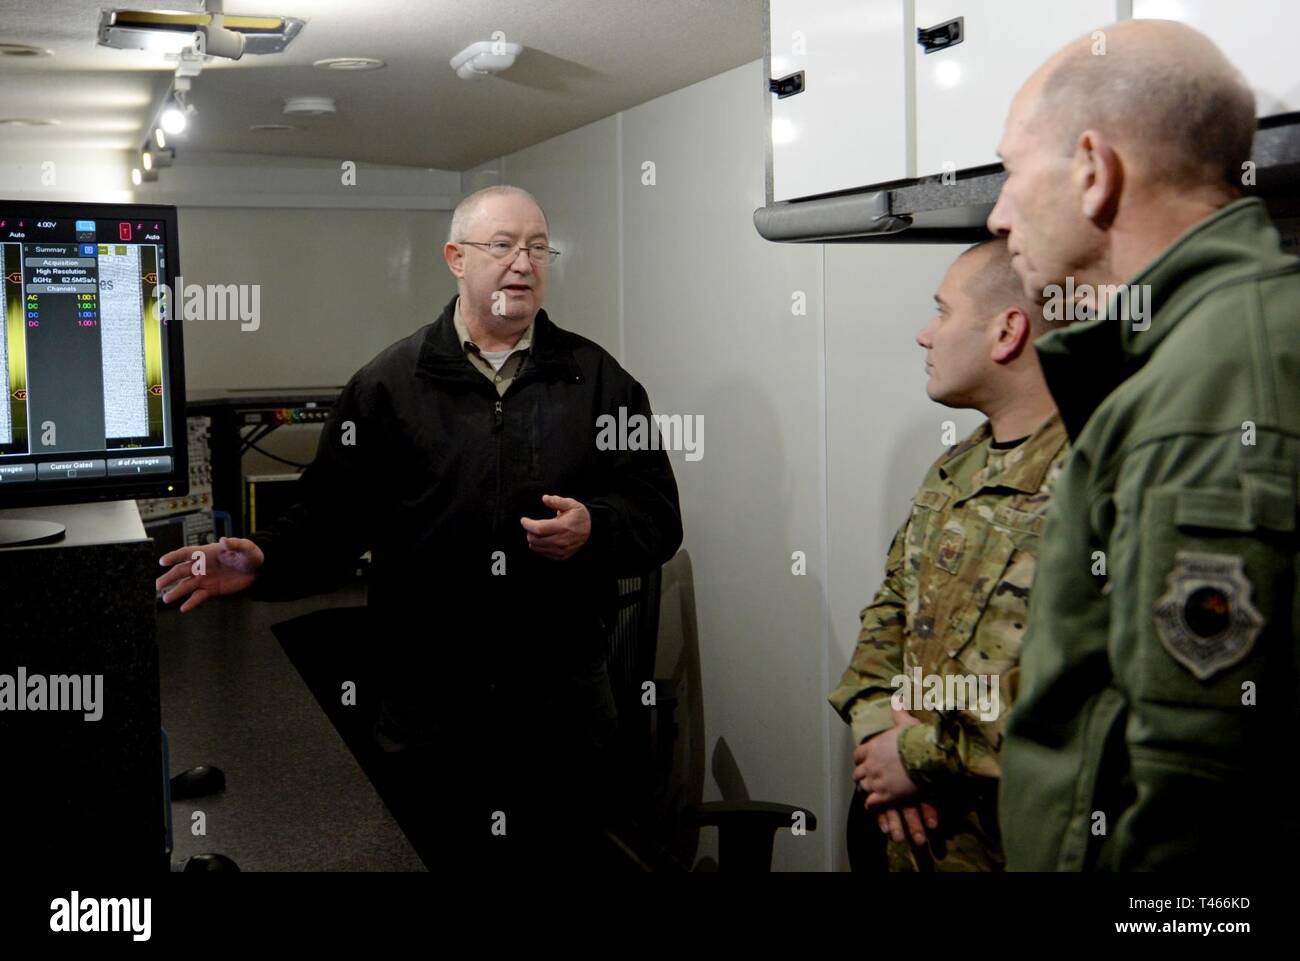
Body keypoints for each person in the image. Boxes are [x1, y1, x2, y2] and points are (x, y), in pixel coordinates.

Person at [157, 185, 683, 871]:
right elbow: (329, 520)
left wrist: (597, 527)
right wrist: (262, 560)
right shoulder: (388, 387)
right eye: (502, 245)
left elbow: (658, 518)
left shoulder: (602, 384)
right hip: (431, 715)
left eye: (537, 247)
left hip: (560, 716)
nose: (523, 262)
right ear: (455, 258)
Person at [988, 19, 1300, 870]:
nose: (997, 211)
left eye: (1012, 174)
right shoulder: (1216, 344)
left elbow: (1195, 808)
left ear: (1093, 170)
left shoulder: (1205, 387)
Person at [828, 238, 1068, 871]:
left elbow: (1091, 695)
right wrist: (881, 736)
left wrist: (919, 759)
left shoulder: (1094, 478)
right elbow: (888, 612)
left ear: (1007, 331)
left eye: (942, 312)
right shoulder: (955, 467)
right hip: (921, 847)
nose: (924, 335)